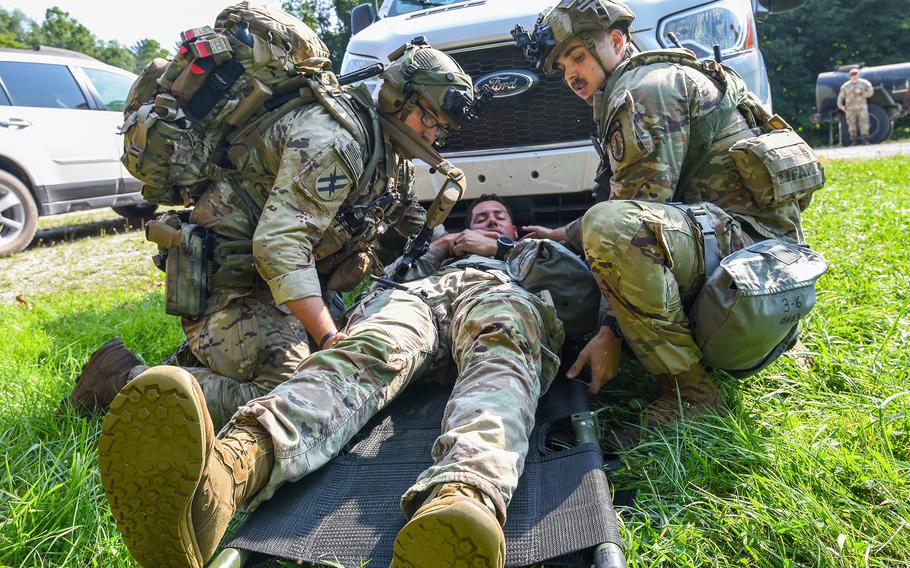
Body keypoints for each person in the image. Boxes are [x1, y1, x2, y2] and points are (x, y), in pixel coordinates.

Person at [98, 194, 567, 568]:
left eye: (497, 216)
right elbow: (380, 287)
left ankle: (463, 499)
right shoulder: (431, 257)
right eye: (479, 216)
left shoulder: (530, 252)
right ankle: (227, 475)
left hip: (497, 295)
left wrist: (506, 250)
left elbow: (580, 292)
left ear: (513, 226)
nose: (487, 220)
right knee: (359, 353)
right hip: (417, 300)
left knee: (502, 356)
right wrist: (437, 251)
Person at [68, 38, 485, 429]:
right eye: (428, 118)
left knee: (361, 366)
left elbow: (405, 222)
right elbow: (280, 246)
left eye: (440, 128)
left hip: (283, 291)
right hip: (234, 286)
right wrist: (329, 337)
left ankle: (209, 359)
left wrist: (458, 244)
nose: (432, 135)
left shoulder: (390, 158)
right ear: (398, 99)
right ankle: (121, 379)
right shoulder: (337, 141)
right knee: (291, 391)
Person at [513, 0, 820, 445]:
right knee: (608, 224)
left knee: (612, 230)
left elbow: (628, 222)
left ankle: (690, 395)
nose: (571, 75)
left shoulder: (643, 92)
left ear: (616, 42)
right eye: (562, 67)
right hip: (761, 251)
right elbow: (632, 198)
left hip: (749, 258)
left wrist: (609, 330)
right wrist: (562, 235)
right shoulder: (650, 79)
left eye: (577, 56)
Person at [838, 67, 874, 145]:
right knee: (851, 124)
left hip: (861, 107)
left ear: (858, 75)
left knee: (864, 123)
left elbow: (870, 92)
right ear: (850, 76)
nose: (854, 76)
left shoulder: (864, 83)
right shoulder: (845, 86)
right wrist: (841, 106)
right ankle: (853, 141)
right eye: (852, 74)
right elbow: (840, 97)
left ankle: (865, 140)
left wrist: (861, 92)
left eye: (855, 74)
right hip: (850, 109)